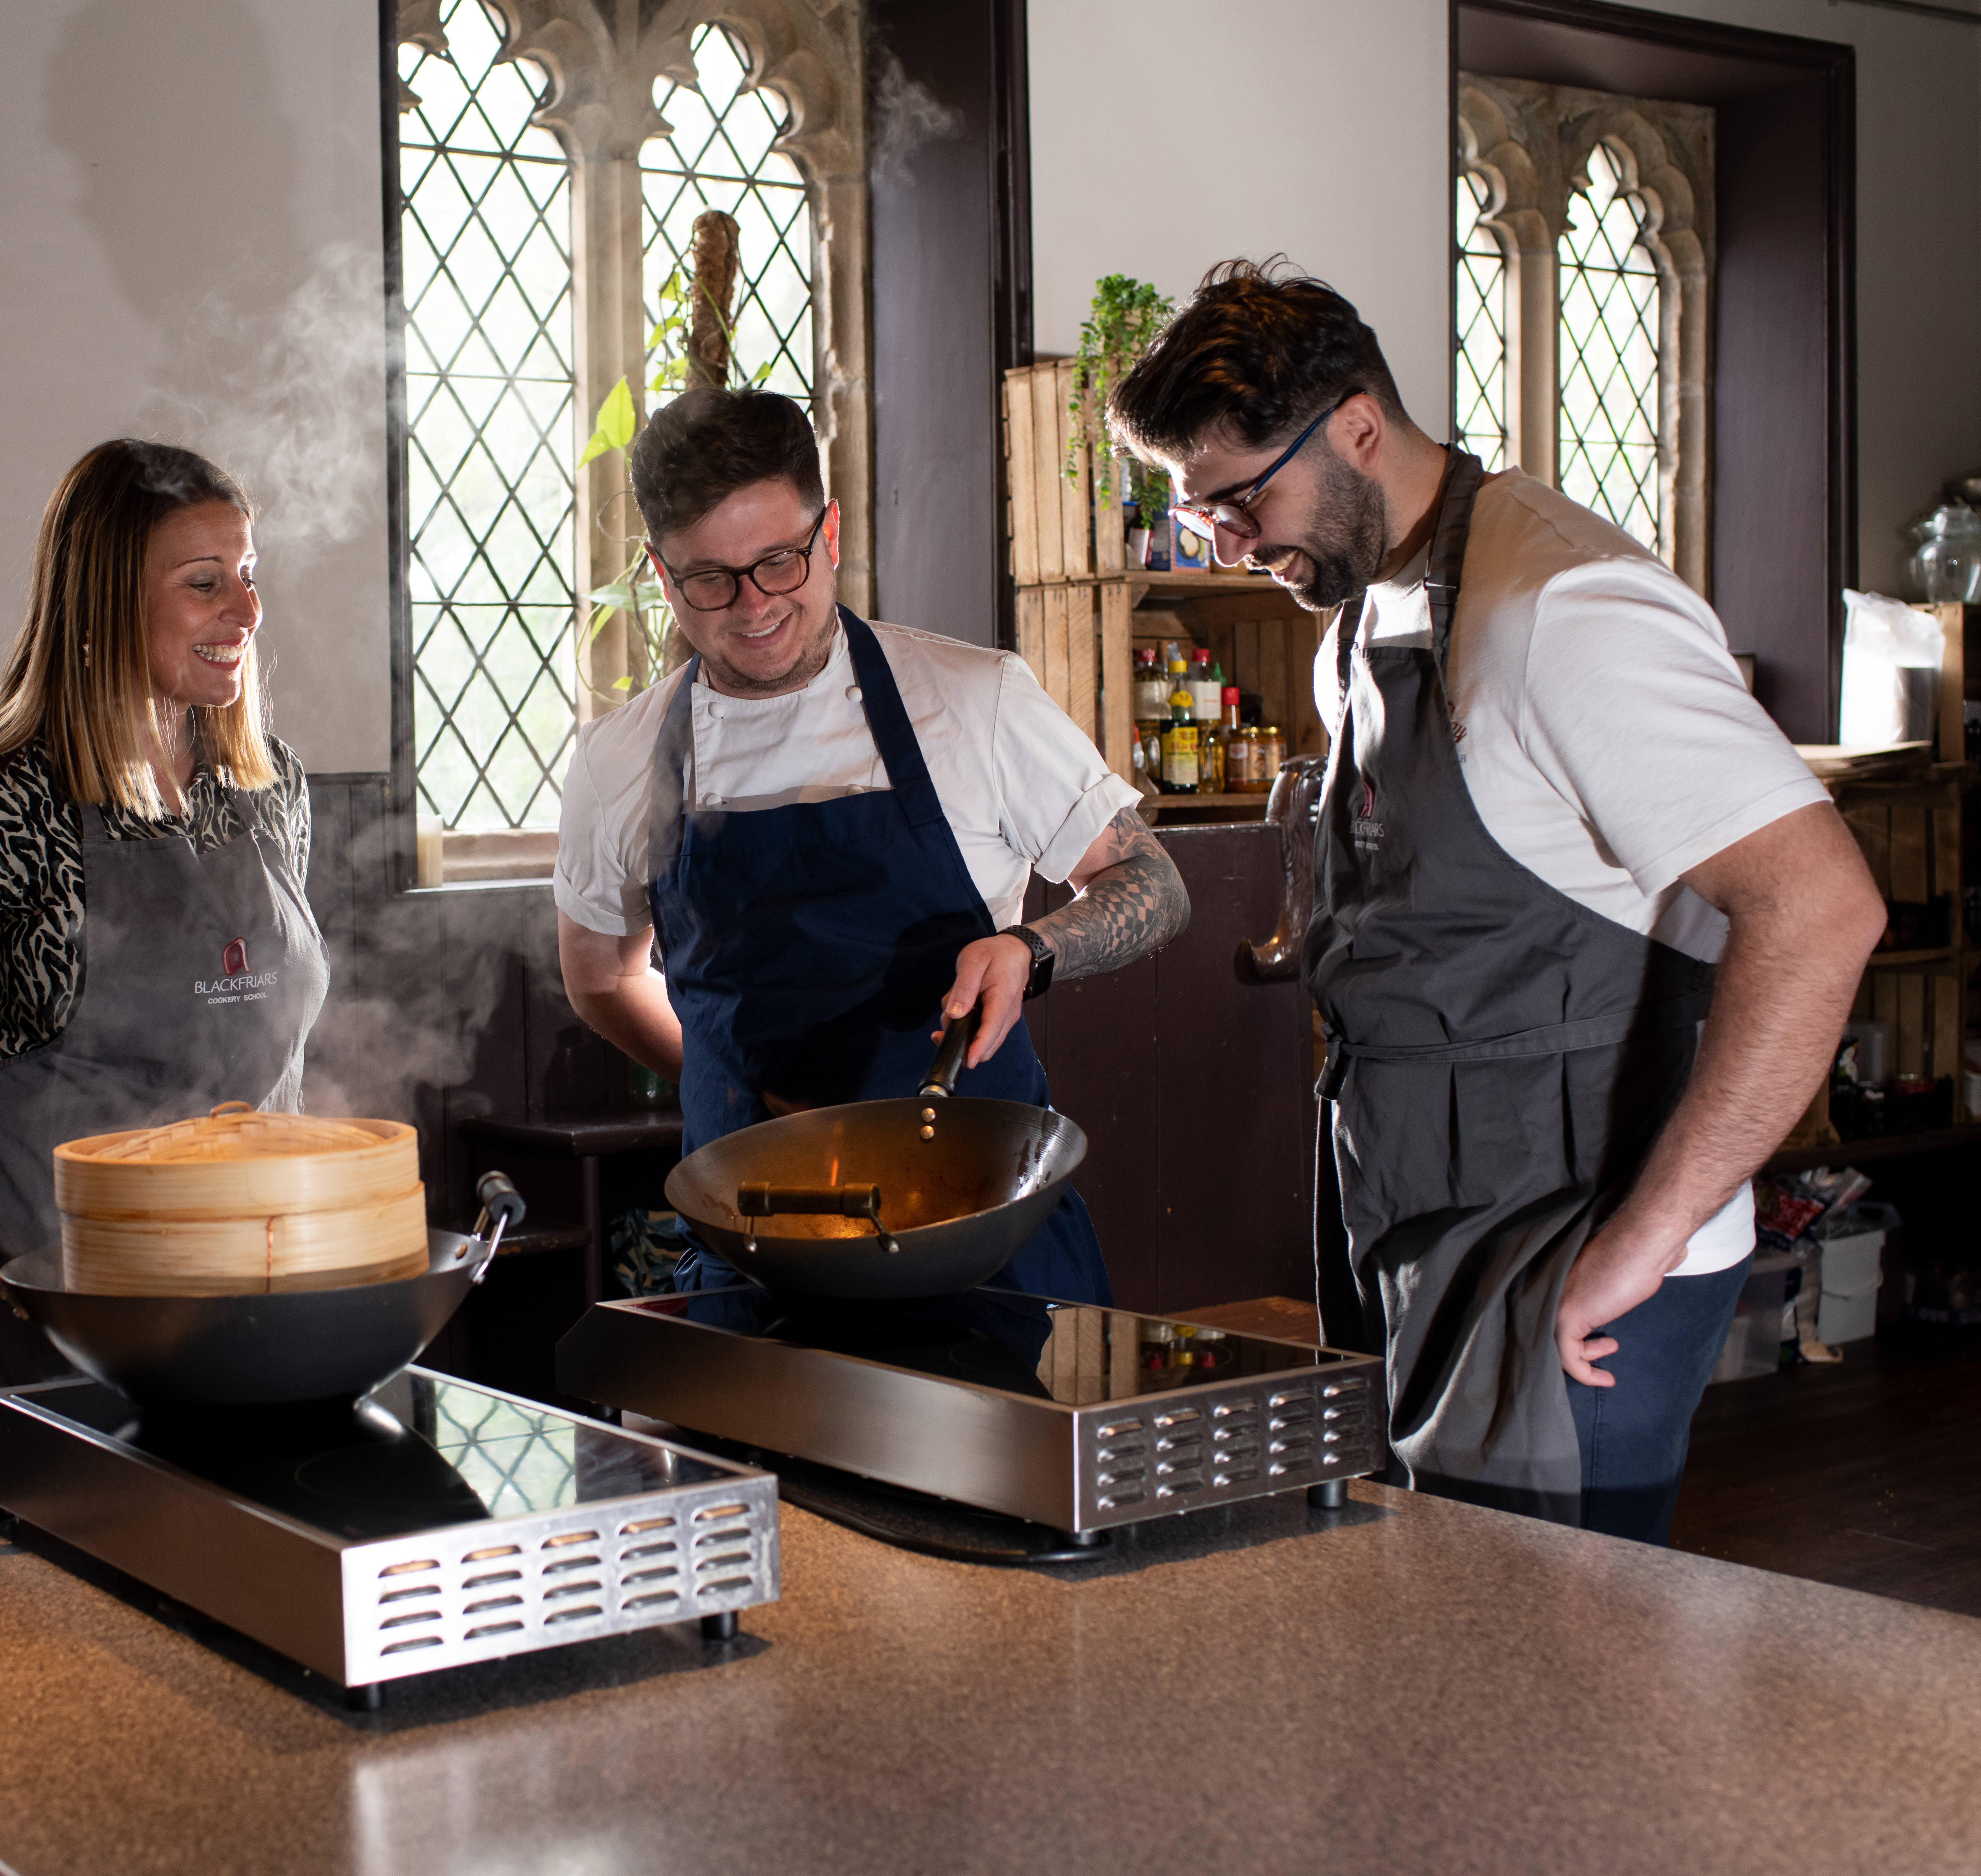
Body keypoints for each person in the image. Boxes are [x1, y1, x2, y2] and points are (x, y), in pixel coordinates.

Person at [1109, 260, 1884, 1543]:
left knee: (1562, 1669)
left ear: (1354, 423)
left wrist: (1645, 1239)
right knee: (1450, 1642)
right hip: (1420, 1225)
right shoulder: (1363, 608)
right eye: (1204, 522)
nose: (1234, 550)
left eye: (1243, 503)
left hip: (1569, 1249)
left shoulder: (1563, 610)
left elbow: (1817, 911)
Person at [553, 386, 1189, 1302]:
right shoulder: (621, 761)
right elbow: (601, 976)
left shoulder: (973, 699)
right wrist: (746, 1099)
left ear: (831, 532)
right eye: (709, 579)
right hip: (757, 1245)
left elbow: (1152, 881)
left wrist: (1030, 947)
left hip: (985, 1242)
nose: (754, 604)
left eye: (779, 561)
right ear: (661, 575)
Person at [0, 439, 323, 1511]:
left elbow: (280, 1078)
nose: (246, 610)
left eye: (249, 573)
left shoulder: (267, 792)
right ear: (103, 599)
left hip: (234, 1325)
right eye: (204, 583)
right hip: (29, 1337)